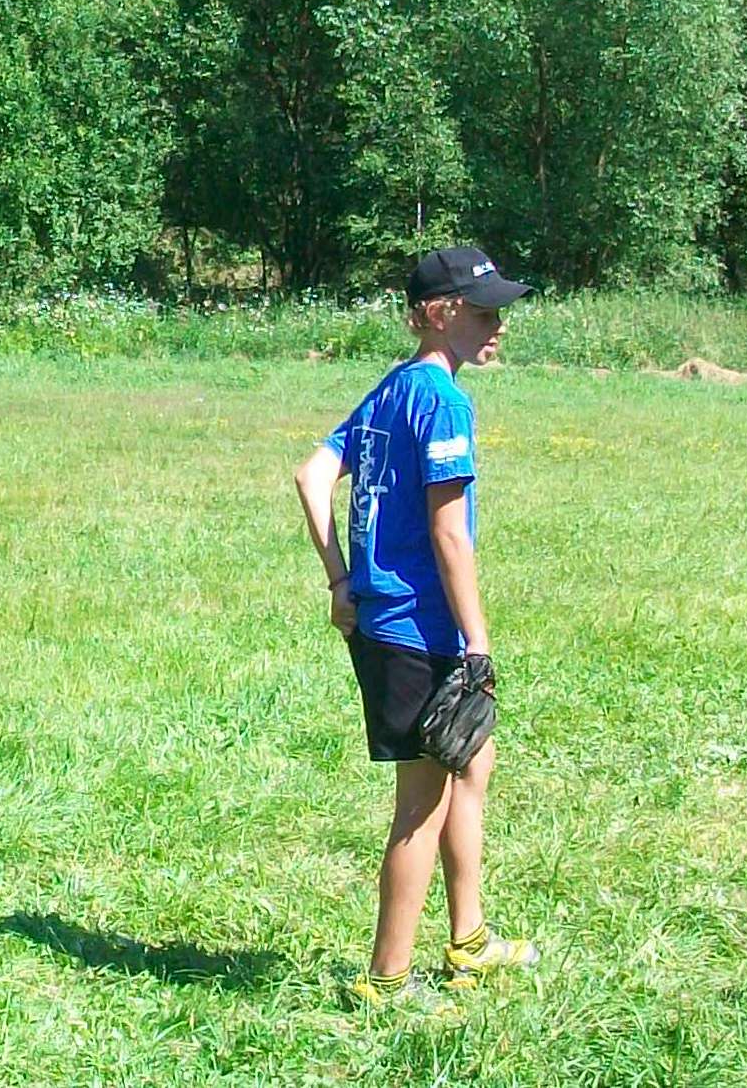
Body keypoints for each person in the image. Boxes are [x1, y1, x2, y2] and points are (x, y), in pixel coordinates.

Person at [294, 245, 542, 1008]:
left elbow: (311, 473)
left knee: (474, 760)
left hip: (383, 621)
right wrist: (478, 639)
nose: (499, 324)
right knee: (421, 806)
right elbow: (448, 534)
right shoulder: (441, 400)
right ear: (441, 313)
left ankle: (469, 940)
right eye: (485, 311)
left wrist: (341, 579)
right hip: (417, 629)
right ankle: (385, 981)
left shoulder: (393, 388)